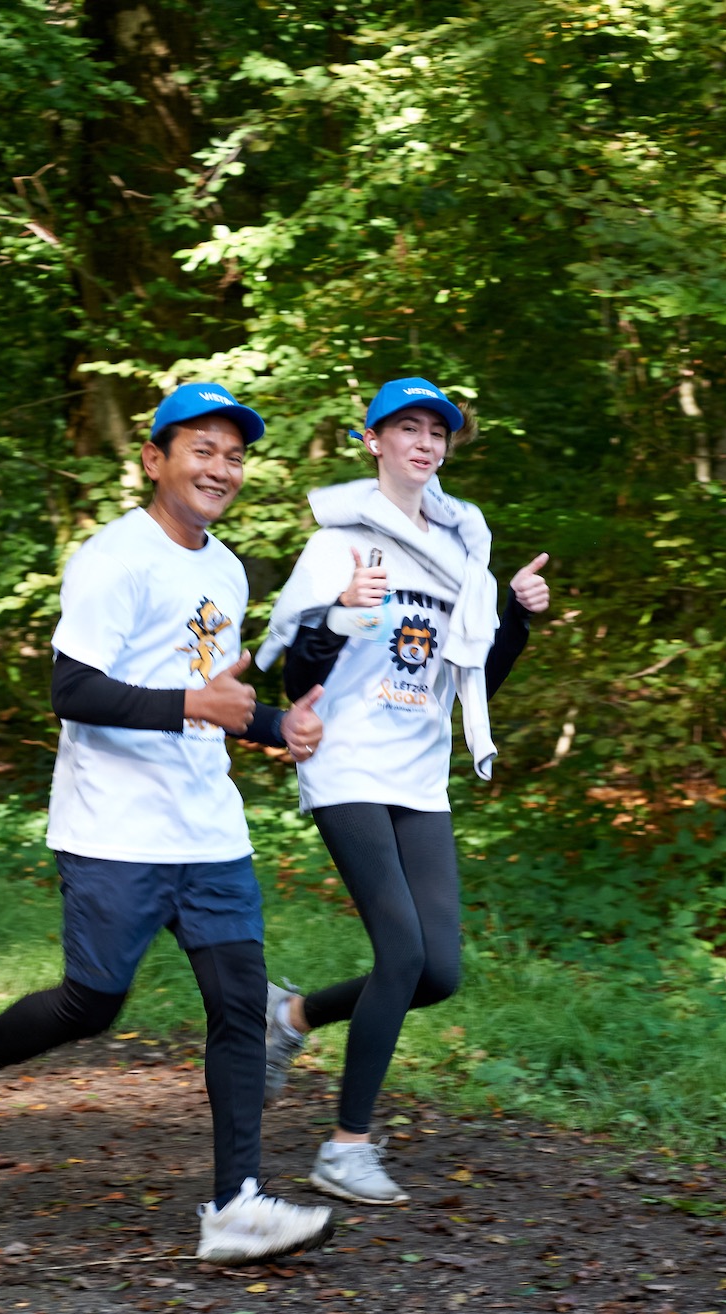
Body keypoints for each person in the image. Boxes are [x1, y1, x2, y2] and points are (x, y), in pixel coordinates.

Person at [0, 382, 334, 1265]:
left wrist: (274, 726)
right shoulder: (114, 558)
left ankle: (236, 1206)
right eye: (202, 450)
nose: (221, 469)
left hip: (207, 827)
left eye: (234, 456)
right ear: (154, 459)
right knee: (91, 1004)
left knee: (239, 1006)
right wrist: (196, 704)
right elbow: (73, 690)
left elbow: (209, 696)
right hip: (113, 828)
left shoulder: (227, 569)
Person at [255, 377, 550, 1205]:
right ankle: (345, 1148)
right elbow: (297, 677)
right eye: (407, 428)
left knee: (439, 971)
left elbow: (474, 678)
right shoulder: (337, 545)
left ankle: (290, 1019)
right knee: (403, 954)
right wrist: (340, 612)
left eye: (437, 432)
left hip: (420, 772)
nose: (424, 443)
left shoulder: (460, 551)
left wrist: (517, 616)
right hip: (347, 760)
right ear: (372, 440)